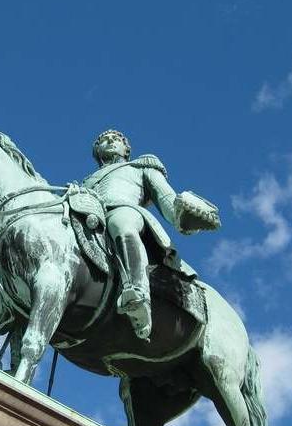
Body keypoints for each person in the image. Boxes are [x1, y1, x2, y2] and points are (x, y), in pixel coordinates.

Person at [83, 129, 209, 339]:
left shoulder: (141, 166)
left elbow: (167, 200)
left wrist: (184, 214)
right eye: (103, 141)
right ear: (97, 152)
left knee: (121, 224)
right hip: (90, 220)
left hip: (124, 210)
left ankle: (138, 294)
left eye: (116, 139)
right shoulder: (87, 181)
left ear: (127, 149)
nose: (110, 141)